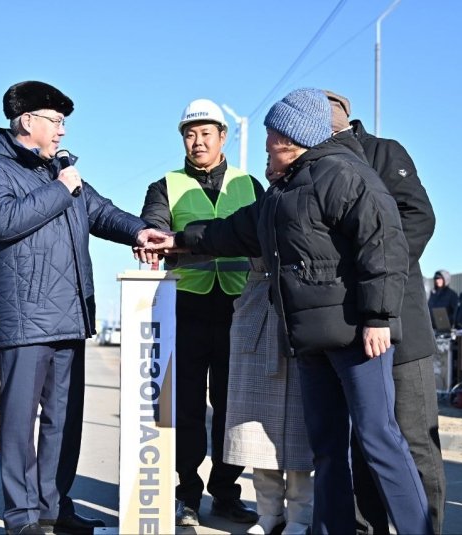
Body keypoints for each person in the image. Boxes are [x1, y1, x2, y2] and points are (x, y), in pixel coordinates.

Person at [147, 88, 432, 535]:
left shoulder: (343, 174)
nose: (263, 146)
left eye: (270, 137)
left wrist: (377, 317)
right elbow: (234, 231)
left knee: (379, 440)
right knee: (327, 448)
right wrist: (178, 241)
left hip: (358, 335)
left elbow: (384, 244)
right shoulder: (283, 192)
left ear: (291, 139)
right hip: (310, 339)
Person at [0, 81, 168, 535]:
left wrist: (140, 233)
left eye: (63, 123)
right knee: (19, 423)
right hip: (25, 318)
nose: (61, 131)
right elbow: (2, 221)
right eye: (55, 121)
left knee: (64, 421)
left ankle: (54, 509)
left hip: (68, 315)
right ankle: (21, 517)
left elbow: (101, 212)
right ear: (27, 121)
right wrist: (60, 188)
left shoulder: (61, 171)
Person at [325, 90, 446, 534]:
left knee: (414, 438)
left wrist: (376, 270)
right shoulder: (314, 165)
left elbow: (419, 217)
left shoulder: (384, 152)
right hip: (350, 328)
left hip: (402, 325)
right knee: (364, 441)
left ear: (341, 115)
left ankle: (427, 527)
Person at [140, 98, 263, 528]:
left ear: (223, 136)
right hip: (186, 306)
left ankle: (226, 491)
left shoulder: (251, 185)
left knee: (233, 405)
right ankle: (187, 493)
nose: (197, 142)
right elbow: (155, 234)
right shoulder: (166, 186)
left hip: (239, 306)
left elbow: (264, 237)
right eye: (190, 135)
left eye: (205, 133)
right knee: (188, 406)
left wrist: (186, 240)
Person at [225, 158, 313, 535]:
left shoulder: (310, 200)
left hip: (298, 316)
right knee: (254, 428)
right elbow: (218, 235)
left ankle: (300, 517)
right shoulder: (258, 210)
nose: (271, 164)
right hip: (257, 310)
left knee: (298, 430)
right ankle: (268, 511)